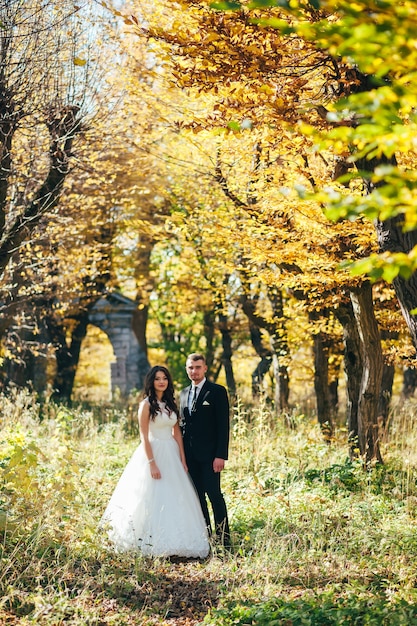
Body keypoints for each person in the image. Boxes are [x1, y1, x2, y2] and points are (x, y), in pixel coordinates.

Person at [101, 365, 210, 558]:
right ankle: (146, 538)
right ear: (151, 381)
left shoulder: (170, 403)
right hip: (153, 451)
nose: (161, 381)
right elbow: (143, 435)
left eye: (165, 378)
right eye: (158, 378)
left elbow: (176, 432)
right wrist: (151, 462)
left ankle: (178, 539)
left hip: (172, 452)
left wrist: (183, 458)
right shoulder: (146, 405)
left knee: (175, 494)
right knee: (150, 494)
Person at [179, 353, 231, 548]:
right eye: (191, 368)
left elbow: (223, 426)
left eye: (198, 367)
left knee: (214, 495)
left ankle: (224, 539)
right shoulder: (183, 393)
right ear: (187, 369)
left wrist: (220, 455)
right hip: (190, 457)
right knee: (197, 497)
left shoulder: (217, 391)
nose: (194, 371)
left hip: (210, 456)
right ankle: (205, 538)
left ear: (205, 368)